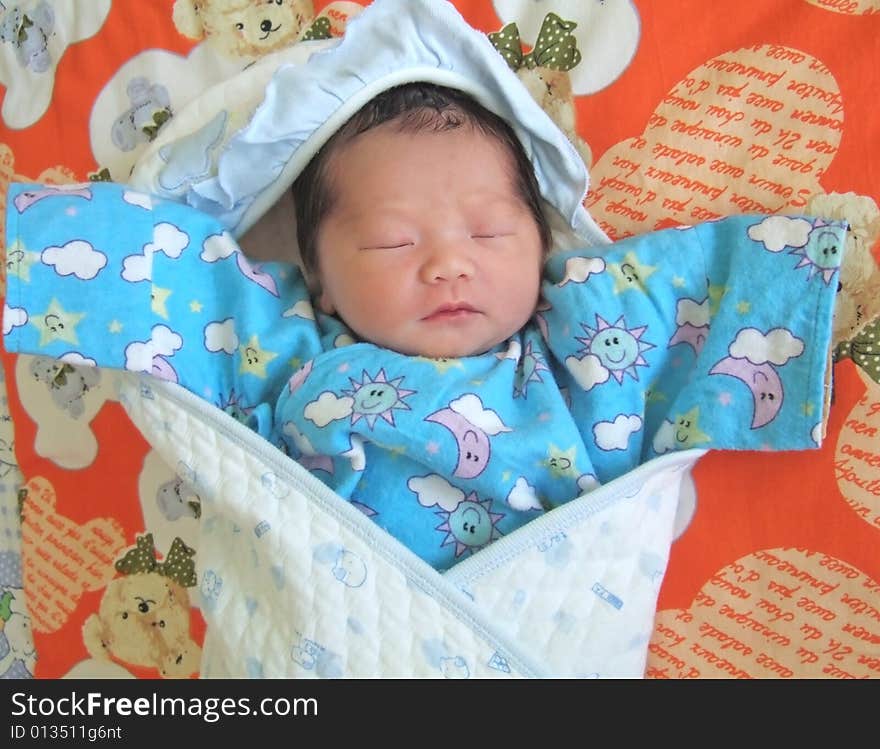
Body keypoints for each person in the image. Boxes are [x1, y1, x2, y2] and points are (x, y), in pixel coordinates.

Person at [3, 5, 846, 571]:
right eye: (393, 240)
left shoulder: (588, 346)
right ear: (321, 281)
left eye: (488, 232)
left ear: (543, 238)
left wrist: (815, 278)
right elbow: (157, 269)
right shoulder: (282, 350)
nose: (449, 262)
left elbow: (718, 291)